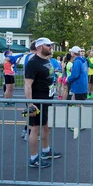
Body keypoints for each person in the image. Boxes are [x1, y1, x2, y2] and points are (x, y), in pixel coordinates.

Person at [24, 37, 62, 168]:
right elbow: (27, 84)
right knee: (35, 129)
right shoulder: (33, 62)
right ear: (40, 47)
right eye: (49, 45)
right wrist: (30, 104)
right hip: (37, 101)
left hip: (47, 99)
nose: (51, 47)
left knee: (47, 126)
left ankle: (46, 151)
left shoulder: (47, 60)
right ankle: (33, 158)